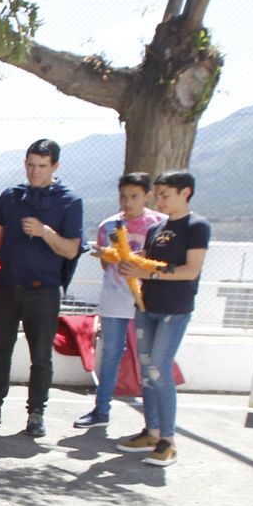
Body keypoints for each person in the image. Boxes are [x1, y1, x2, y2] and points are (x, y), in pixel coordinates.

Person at [0, 139, 83, 438]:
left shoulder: (69, 201)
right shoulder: (11, 196)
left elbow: (71, 250)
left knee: (41, 356)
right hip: (6, 287)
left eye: (42, 166)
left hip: (43, 291)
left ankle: (36, 413)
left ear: (55, 166)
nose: (34, 171)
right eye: (30, 164)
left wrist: (45, 232)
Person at [115, 170, 209, 468]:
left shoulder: (197, 226)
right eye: (158, 194)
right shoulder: (157, 229)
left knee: (159, 370)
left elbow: (191, 270)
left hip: (174, 309)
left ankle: (168, 440)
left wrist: (148, 273)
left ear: (186, 193)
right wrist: (123, 261)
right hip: (147, 306)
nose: (160, 200)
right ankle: (152, 432)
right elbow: (145, 259)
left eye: (166, 194)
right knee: (146, 372)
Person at [75, 172, 167, 429]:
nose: (127, 202)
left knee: (150, 359)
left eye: (134, 196)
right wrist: (111, 256)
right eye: (123, 197)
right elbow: (106, 266)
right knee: (112, 354)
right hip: (115, 299)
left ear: (148, 196)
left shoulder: (161, 224)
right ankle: (101, 410)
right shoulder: (109, 226)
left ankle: (155, 422)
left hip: (148, 301)